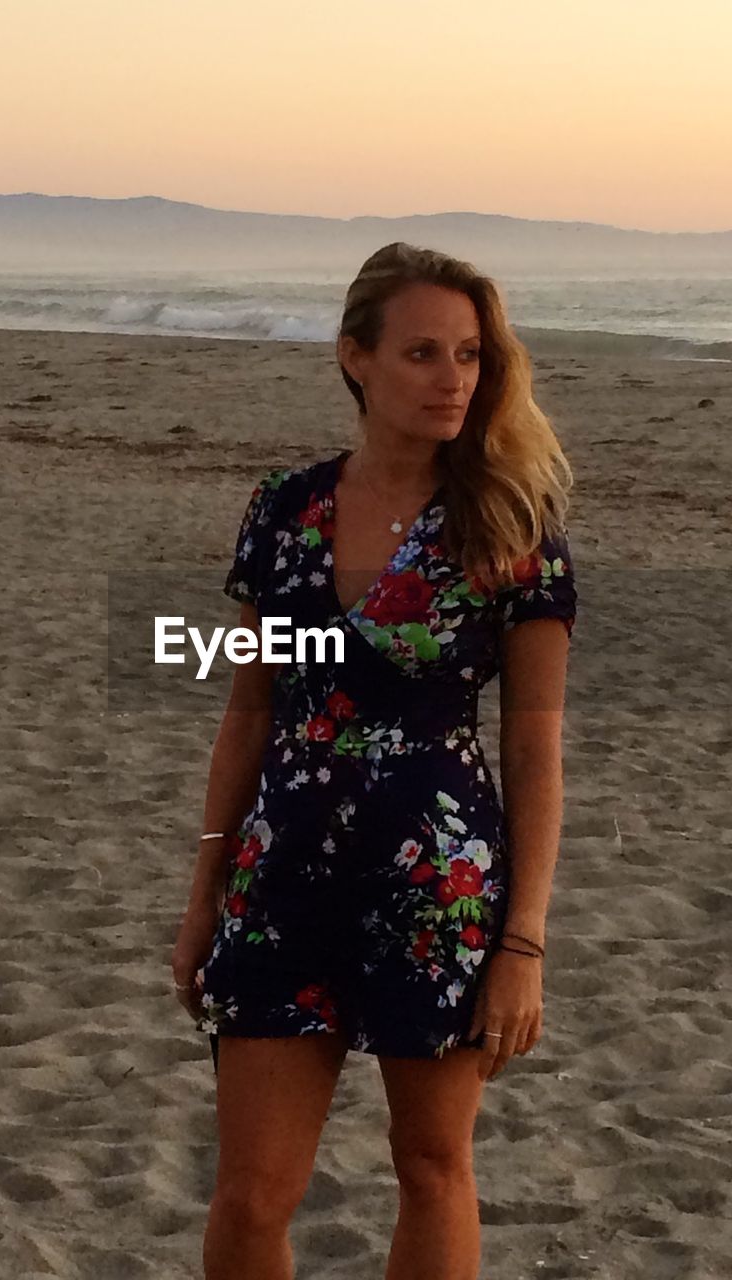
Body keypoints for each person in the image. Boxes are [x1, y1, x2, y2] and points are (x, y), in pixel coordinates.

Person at [171, 242, 577, 1280]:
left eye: (472, 355)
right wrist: (205, 884)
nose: (453, 378)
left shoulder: (511, 521)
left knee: (432, 1163)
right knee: (253, 1191)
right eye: (424, 352)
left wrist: (523, 941)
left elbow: (534, 749)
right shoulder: (285, 510)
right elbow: (252, 705)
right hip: (284, 869)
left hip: (437, 883)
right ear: (356, 357)